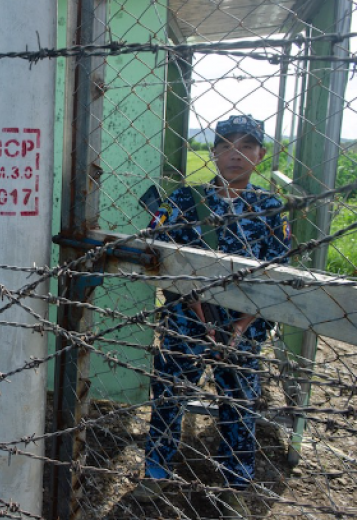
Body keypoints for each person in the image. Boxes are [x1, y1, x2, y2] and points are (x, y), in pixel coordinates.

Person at [135, 115, 291, 518]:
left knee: (239, 402)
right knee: (170, 394)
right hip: (187, 317)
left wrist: (240, 325)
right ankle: (156, 469)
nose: (235, 155)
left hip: (246, 322)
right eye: (226, 145)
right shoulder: (185, 200)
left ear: (260, 154)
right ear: (213, 151)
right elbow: (166, 258)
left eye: (246, 146)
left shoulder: (270, 206)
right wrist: (198, 311)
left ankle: (235, 481)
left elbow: (276, 270)